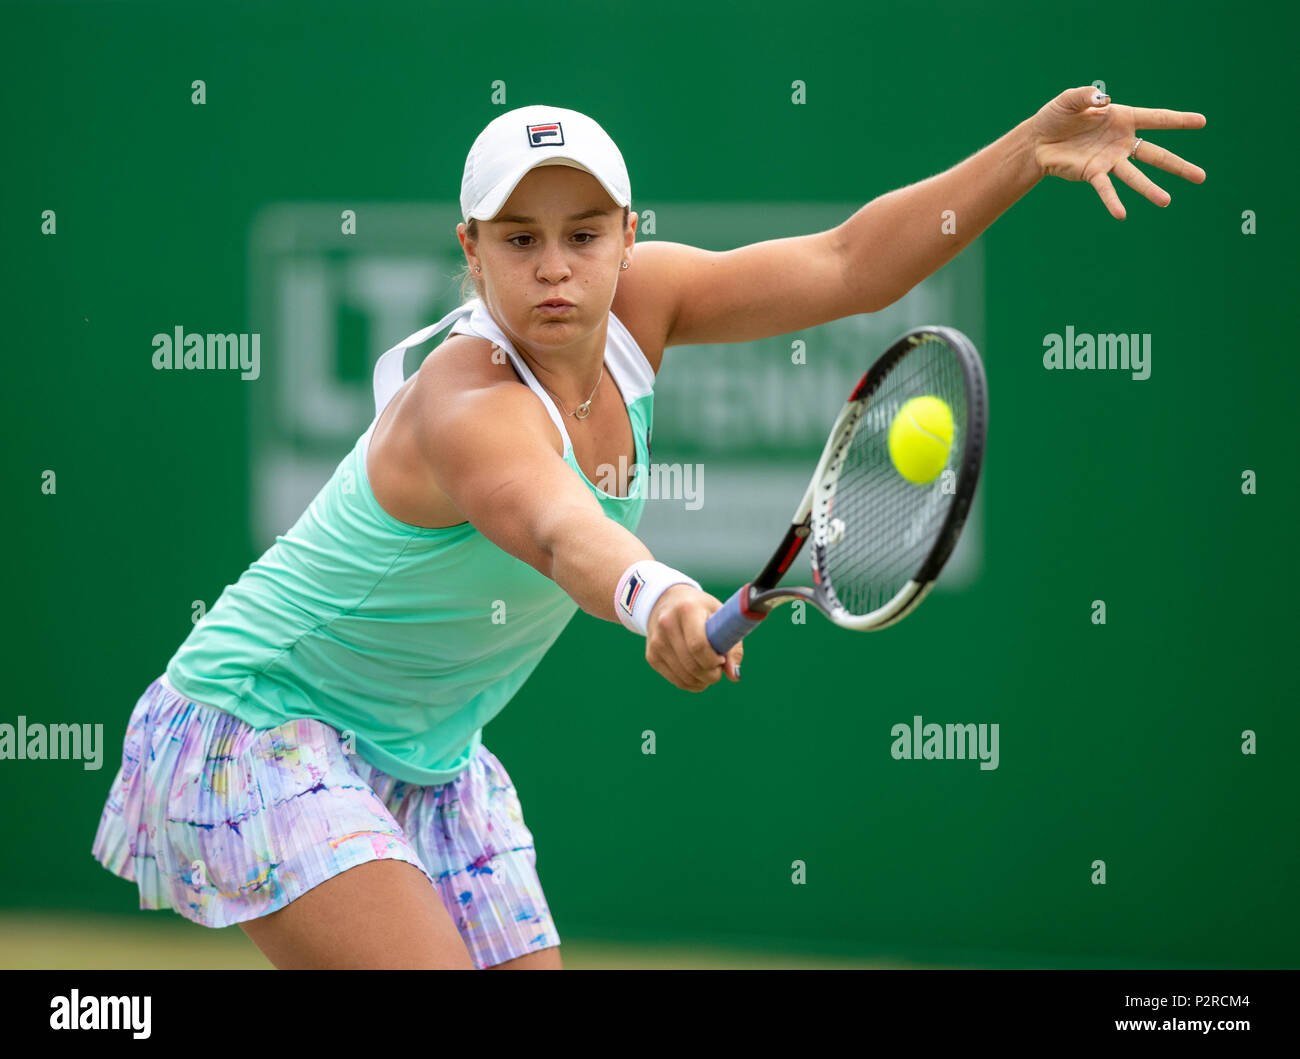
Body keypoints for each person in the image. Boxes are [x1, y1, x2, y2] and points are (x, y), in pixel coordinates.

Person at [91, 90, 1206, 970]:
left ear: (629, 236)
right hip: (259, 725)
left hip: (423, 756)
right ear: (468, 252)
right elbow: (558, 527)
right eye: (518, 239)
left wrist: (1026, 150)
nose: (555, 266)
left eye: (584, 234)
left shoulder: (644, 303)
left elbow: (847, 263)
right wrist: (663, 598)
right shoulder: (466, 400)